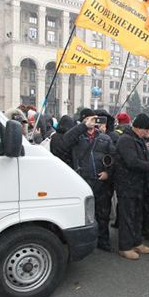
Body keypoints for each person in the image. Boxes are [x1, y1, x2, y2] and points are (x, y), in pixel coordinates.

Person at [62, 108, 116, 251]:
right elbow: (64, 142)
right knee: (84, 214)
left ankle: (103, 240)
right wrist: (83, 127)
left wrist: (108, 172)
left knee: (103, 213)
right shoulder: (77, 136)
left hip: (101, 181)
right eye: (90, 119)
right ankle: (85, 243)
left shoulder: (104, 138)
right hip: (82, 180)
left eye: (95, 118)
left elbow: (113, 157)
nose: (93, 122)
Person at [114, 113, 149, 260]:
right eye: (147, 130)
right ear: (140, 128)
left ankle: (137, 242)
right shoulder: (126, 140)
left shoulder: (137, 139)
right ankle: (125, 247)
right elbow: (131, 161)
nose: (148, 133)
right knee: (127, 216)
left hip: (137, 184)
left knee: (137, 215)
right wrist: (148, 165)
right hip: (127, 184)